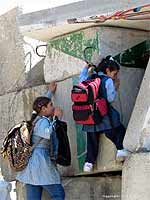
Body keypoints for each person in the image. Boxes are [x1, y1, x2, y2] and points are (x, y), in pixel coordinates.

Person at [79, 55, 129, 172]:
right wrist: (115, 87)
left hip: (90, 116)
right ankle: (120, 150)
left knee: (92, 139)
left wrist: (86, 68)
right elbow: (110, 99)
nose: (115, 76)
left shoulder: (89, 78)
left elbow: (81, 80)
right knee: (118, 130)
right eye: (114, 74)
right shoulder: (107, 81)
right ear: (107, 70)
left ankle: (89, 163)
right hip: (105, 115)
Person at [16, 82, 65, 200]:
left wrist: (49, 92)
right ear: (43, 109)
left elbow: (40, 106)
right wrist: (56, 118)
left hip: (31, 165)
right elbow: (48, 133)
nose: (53, 107)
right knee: (58, 194)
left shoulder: (35, 119)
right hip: (41, 162)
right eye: (51, 105)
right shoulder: (43, 121)